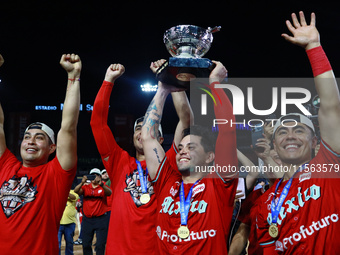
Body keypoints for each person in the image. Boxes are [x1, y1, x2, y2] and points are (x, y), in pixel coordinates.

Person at [255, 12, 340, 254]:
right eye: (282, 132)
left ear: (315, 141)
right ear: (274, 144)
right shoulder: (265, 203)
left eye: (299, 130)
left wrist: (314, 47)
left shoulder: (328, 166)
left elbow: (332, 106)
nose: (290, 136)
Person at [90, 60, 193, 254]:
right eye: (138, 129)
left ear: (159, 138)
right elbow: (98, 124)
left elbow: (186, 120)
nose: (141, 133)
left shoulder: (170, 162)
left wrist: (172, 80)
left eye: (146, 129)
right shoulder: (118, 161)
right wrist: (108, 81)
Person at [141, 61, 238, 254]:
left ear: (210, 156)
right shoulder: (167, 182)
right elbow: (148, 137)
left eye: (191, 147)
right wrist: (162, 89)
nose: (183, 151)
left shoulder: (220, 184)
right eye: (181, 147)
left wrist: (214, 83)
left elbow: (227, 130)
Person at [0, 53, 81, 254]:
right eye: (27, 136)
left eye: (39, 137)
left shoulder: (56, 174)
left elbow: (68, 127)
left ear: (52, 148)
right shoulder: (6, 165)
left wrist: (73, 77)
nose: (31, 141)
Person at [74, 168, 112, 255]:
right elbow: (76, 191)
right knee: (86, 244)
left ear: (99, 177)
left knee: (100, 244)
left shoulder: (103, 187)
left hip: (101, 219)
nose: (94, 177)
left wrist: (101, 184)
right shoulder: (85, 187)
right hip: (88, 220)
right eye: (92, 175)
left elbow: (109, 193)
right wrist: (82, 182)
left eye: (96, 175)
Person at [58, 190, 80, 255]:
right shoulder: (57, 191)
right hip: (58, 223)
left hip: (70, 223)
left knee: (69, 243)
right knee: (57, 243)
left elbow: (74, 197)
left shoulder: (74, 191)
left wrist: (64, 192)